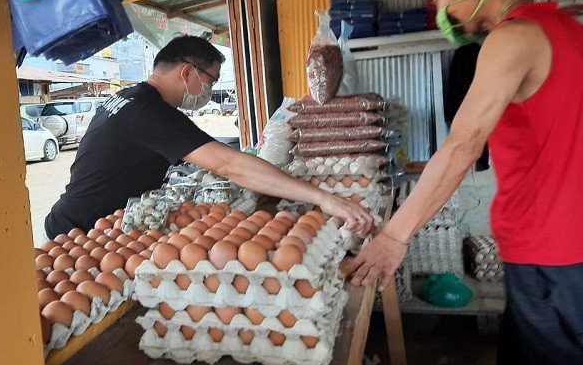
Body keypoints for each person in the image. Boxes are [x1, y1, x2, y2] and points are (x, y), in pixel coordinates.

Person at [344, 0, 583, 365]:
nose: (441, 18)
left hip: (552, 250)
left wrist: (395, 237)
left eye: (438, 2)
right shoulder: (567, 28)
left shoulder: (513, 38)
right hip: (562, 243)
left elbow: (462, 145)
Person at [45, 35, 374, 239]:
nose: (211, 90)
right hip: (82, 231)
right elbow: (229, 164)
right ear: (187, 72)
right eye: (211, 80)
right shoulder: (150, 112)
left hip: (84, 218)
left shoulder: (131, 98)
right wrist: (321, 197)